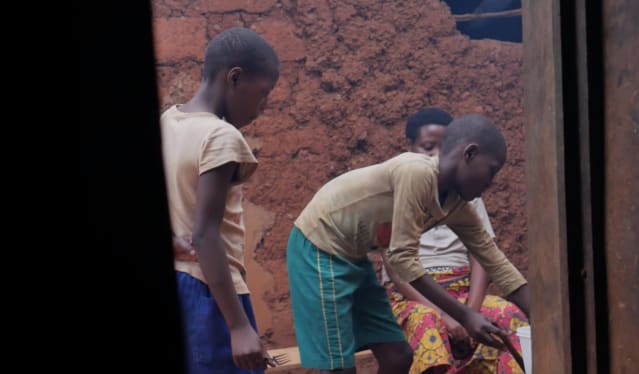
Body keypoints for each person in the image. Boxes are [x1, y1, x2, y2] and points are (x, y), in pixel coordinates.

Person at [286, 114, 530, 373]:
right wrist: (464, 315)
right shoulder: (417, 172)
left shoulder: (456, 204)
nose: (490, 183)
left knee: (398, 356)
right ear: (469, 154)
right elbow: (402, 259)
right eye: (491, 171)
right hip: (319, 248)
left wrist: (544, 318)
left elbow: (494, 260)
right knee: (339, 367)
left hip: (354, 258)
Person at [161, 27, 279, 374]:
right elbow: (205, 234)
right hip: (213, 290)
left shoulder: (170, 120)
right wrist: (240, 327)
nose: (264, 104)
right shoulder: (221, 137)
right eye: (263, 93)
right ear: (235, 78)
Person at [380, 108, 528, 373]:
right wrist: (451, 316)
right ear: (410, 148)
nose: (436, 155)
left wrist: (471, 311)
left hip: (463, 292)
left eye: (441, 147)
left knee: (509, 317)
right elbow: (397, 263)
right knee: (427, 324)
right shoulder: (404, 184)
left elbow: (484, 256)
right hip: (415, 298)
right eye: (427, 147)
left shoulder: (468, 197)